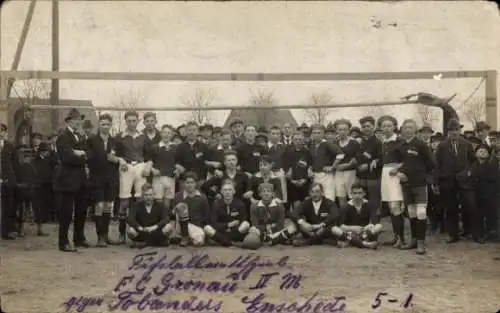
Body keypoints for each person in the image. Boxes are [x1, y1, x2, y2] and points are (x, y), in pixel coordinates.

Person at [111, 110, 150, 244]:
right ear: (125, 121)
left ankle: (139, 233)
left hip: (140, 167)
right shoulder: (119, 136)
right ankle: (122, 234)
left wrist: (147, 166)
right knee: (124, 202)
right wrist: (120, 160)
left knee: (140, 200)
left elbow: (149, 156)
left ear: (138, 121)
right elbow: (110, 155)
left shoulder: (143, 136)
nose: (131, 123)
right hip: (126, 167)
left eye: (134, 121)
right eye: (129, 121)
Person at [398, 119, 436, 254]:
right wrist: (399, 172)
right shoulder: (401, 145)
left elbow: (432, 163)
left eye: (410, 128)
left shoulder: (421, 145)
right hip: (406, 184)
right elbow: (397, 163)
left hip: (419, 184)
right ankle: (413, 240)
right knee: (412, 213)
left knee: (421, 212)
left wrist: (424, 176)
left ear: (415, 130)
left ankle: (421, 243)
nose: (407, 130)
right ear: (402, 130)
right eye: (405, 128)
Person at [435, 118, 476, 243]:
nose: (454, 132)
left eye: (457, 129)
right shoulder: (442, 145)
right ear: (448, 131)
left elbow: (473, 161)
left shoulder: (467, 144)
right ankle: (454, 235)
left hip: (464, 181)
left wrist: (469, 171)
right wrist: (437, 181)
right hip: (448, 181)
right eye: (452, 130)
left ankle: (474, 233)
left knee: (471, 206)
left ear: (460, 130)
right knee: (451, 208)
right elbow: (437, 163)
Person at [55, 108, 89, 252]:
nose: (78, 122)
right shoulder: (63, 136)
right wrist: (79, 155)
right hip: (68, 179)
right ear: (68, 121)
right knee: (67, 212)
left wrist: (78, 153)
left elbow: (88, 154)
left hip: (81, 179)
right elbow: (67, 158)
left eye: (79, 120)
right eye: (75, 120)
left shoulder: (80, 136)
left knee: (82, 210)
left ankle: (79, 238)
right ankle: (63, 242)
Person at [86, 114, 117, 247]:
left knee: (108, 207)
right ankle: (100, 237)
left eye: (107, 124)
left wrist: (116, 159)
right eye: (103, 124)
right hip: (97, 178)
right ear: (99, 125)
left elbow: (119, 158)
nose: (105, 126)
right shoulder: (92, 140)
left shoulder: (115, 141)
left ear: (111, 125)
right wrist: (104, 156)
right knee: (98, 206)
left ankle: (106, 234)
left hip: (110, 178)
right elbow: (89, 157)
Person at [378, 115, 405, 248]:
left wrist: (398, 168)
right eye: (384, 126)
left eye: (389, 125)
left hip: (395, 175)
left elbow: (408, 159)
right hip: (385, 175)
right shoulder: (383, 142)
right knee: (390, 207)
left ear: (394, 126)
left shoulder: (400, 141)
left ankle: (401, 238)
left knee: (396, 206)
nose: (387, 128)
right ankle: (395, 237)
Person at [332, 183, 383, 249]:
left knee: (379, 226)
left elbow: (373, 222)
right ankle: (365, 244)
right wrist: (354, 228)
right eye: (355, 193)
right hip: (350, 232)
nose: (357, 195)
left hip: (364, 232)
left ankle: (351, 242)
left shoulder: (369, 204)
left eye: (360, 193)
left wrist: (363, 229)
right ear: (351, 194)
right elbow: (341, 226)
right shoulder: (345, 207)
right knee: (334, 229)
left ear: (364, 193)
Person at [203, 181, 250, 247]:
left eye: (230, 190)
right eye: (225, 190)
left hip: (235, 232)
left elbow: (243, 220)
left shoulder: (240, 204)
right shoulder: (216, 204)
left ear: (234, 191)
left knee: (246, 224)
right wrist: (228, 225)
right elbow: (213, 223)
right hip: (221, 232)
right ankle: (230, 242)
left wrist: (235, 225)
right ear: (221, 192)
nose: (227, 192)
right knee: (207, 228)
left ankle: (224, 241)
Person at [242, 182, 287, 249]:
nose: (266, 193)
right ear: (260, 194)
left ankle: (271, 239)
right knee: (252, 234)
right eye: (264, 191)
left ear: (273, 194)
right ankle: (265, 239)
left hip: (276, 232)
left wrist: (268, 228)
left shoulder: (279, 206)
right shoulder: (254, 206)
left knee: (288, 230)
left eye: (269, 191)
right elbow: (255, 224)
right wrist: (266, 228)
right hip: (260, 232)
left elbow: (280, 224)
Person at [169, 172, 210, 246]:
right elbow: (171, 213)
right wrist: (175, 209)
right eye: (187, 182)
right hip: (181, 225)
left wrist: (202, 227)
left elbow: (206, 216)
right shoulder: (178, 196)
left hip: (196, 225)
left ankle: (186, 237)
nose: (190, 185)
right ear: (184, 183)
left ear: (195, 184)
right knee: (181, 206)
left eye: (192, 182)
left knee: (198, 242)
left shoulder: (202, 197)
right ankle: (184, 237)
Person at [469, 144, 498, 243]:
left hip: (489, 195)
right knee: (477, 215)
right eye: (480, 150)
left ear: (489, 154)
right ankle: (478, 235)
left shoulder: (493, 166)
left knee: (490, 214)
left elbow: (496, 182)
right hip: (474, 195)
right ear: (475, 153)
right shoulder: (471, 166)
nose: (482, 151)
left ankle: (491, 232)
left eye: (485, 150)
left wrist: (490, 194)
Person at [146, 124, 180, 210]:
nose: (166, 135)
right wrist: (152, 169)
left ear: (172, 135)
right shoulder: (155, 147)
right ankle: (158, 220)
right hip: (158, 178)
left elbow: (178, 162)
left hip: (171, 177)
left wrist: (177, 170)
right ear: (161, 134)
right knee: (158, 200)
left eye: (169, 133)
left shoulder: (175, 147)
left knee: (167, 200)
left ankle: (165, 220)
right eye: (164, 132)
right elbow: (148, 161)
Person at [126, 183, 170, 247]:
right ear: (142, 195)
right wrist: (140, 228)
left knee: (169, 227)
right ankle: (155, 243)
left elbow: (166, 219)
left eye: (150, 195)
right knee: (131, 231)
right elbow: (130, 219)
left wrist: (154, 227)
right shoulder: (136, 205)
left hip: (156, 232)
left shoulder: (160, 205)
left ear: (154, 195)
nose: (148, 197)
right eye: (146, 195)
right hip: (142, 232)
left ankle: (145, 243)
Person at [309, 124, 343, 202]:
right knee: (317, 199)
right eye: (314, 133)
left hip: (326, 176)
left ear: (323, 134)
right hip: (316, 176)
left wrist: (332, 167)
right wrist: (310, 169)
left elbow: (340, 154)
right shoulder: (312, 145)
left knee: (329, 198)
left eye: (319, 133)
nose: (316, 135)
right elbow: (311, 160)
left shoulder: (327, 144)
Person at [356, 116, 382, 217]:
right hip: (360, 176)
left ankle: (375, 226)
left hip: (373, 176)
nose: (366, 128)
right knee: (362, 201)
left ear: (373, 127)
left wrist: (370, 163)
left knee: (373, 201)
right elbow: (355, 157)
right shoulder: (358, 142)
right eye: (364, 126)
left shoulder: (378, 142)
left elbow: (381, 158)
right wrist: (358, 165)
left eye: (368, 126)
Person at [333, 119, 360, 210]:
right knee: (341, 197)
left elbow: (357, 160)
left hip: (351, 173)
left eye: (345, 129)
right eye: (340, 129)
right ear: (337, 131)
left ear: (348, 130)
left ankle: (355, 218)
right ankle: (343, 219)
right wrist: (336, 166)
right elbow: (331, 159)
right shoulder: (334, 143)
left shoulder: (354, 143)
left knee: (353, 197)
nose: (343, 132)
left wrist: (348, 165)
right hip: (338, 173)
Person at [283, 131, 312, 211]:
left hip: (305, 182)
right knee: (295, 205)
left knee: (305, 205)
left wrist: (305, 179)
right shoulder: (287, 152)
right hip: (292, 183)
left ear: (303, 141)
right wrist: (292, 180)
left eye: (300, 139)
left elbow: (310, 167)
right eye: (296, 139)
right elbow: (285, 167)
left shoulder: (307, 152)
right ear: (292, 140)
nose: (298, 141)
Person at [1, 123, 18, 240]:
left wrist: (12, 177)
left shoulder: (10, 146)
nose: (0, 133)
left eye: (2, 131)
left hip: (8, 178)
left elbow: (15, 163)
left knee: (8, 205)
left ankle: (7, 231)